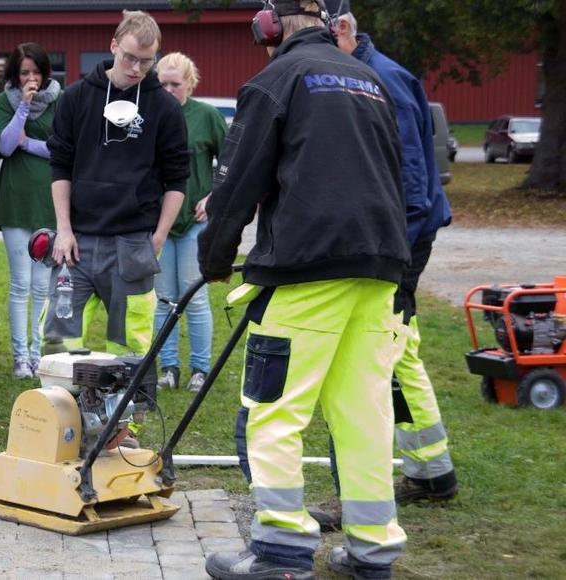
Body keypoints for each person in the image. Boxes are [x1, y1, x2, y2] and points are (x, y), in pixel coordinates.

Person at [197, 1, 409, 578]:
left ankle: (281, 554)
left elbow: (237, 182)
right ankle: (373, 552)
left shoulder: (277, 80)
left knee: (273, 412)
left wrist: (215, 257)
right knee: (364, 417)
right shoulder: (369, 81)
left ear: (271, 24)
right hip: (378, 268)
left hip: (308, 269)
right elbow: (401, 178)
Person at [307, 0, 457, 527]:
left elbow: (412, 185)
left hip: (404, 236)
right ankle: (431, 470)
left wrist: (393, 257)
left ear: (344, 29)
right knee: (402, 347)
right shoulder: (373, 71)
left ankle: (402, 479)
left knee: (378, 354)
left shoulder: (379, 79)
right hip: (400, 233)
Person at [43, 10, 189, 359]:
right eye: (129, 58)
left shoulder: (165, 108)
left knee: (129, 348)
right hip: (76, 242)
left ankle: (126, 415)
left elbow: (177, 179)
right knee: (57, 342)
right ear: (113, 46)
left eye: (146, 61)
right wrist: (63, 229)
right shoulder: (76, 98)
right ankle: (62, 412)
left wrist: (159, 236)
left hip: (132, 243)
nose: (137, 69)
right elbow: (60, 166)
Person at [153, 52, 228, 392]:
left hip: (193, 222)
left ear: (190, 83)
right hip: (159, 222)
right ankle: (168, 367)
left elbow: (230, 160)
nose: (168, 90)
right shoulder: (149, 115)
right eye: (162, 83)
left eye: (175, 84)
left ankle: (200, 368)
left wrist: (213, 195)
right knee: (163, 298)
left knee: (193, 296)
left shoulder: (206, 116)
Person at [0, 43, 61, 379]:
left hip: (49, 201)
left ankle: (37, 355)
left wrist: (29, 144)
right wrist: (23, 108)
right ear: (15, 76)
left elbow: (62, 150)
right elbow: (4, 145)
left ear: (45, 73)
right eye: (24, 73)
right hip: (16, 201)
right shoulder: (8, 101)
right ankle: (20, 358)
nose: (31, 78)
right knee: (20, 283)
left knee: (43, 284)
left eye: (35, 72)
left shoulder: (60, 100)